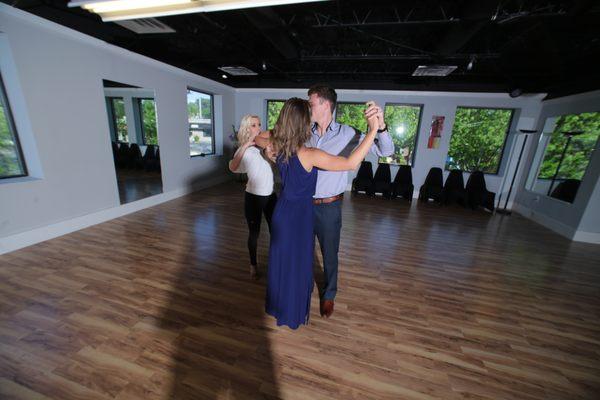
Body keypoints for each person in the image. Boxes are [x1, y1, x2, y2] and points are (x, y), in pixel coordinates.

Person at [265, 97, 380, 329]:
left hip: (282, 212)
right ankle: (291, 313)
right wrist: (374, 129)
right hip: (298, 216)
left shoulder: (280, 148)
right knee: (297, 266)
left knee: (284, 263)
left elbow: (264, 141)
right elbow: (350, 163)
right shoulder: (310, 154)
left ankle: (279, 307)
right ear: (302, 122)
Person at [307, 85, 394, 318]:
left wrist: (380, 126)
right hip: (303, 205)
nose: (308, 107)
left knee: (329, 254)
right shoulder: (305, 132)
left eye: (311, 102)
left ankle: (329, 295)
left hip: (329, 207)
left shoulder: (350, 133)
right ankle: (304, 290)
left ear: (326, 105)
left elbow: (386, 150)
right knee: (303, 251)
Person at [229, 115, 277, 279]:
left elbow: (276, 134)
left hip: (271, 196)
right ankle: (253, 264)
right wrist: (245, 146)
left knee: (276, 231)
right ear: (247, 128)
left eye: (259, 124)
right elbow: (233, 167)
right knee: (254, 233)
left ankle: (276, 262)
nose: (258, 127)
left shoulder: (266, 146)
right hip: (253, 198)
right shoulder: (245, 150)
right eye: (254, 125)